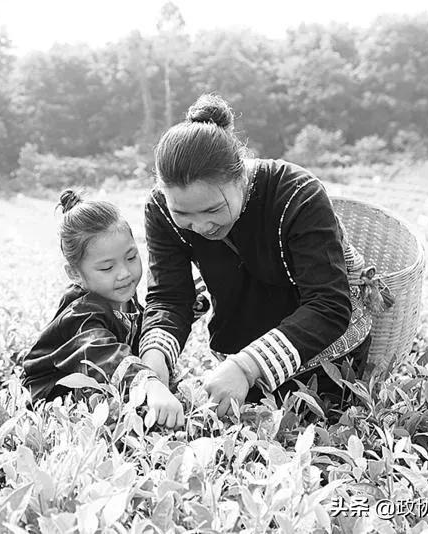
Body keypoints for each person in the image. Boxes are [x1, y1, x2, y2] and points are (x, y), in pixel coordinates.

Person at [139, 93, 375, 417]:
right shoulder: (160, 212)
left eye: (212, 209)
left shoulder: (297, 194)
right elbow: (168, 297)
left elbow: (328, 306)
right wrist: (152, 372)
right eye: (183, 214)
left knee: (307, 414)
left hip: (322, 352)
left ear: (240, 178)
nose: (200, 226)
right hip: (236, 355)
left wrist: (247, 368)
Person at [22, 190, 184, 429]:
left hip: (97, 384)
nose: (124, 273)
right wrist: (150, 384)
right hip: (53, 398)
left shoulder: (119, 293)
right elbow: (104, 355)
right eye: (107, 268)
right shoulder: (81, 313)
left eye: (131, 257)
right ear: (75, 274)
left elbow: (139, 331)